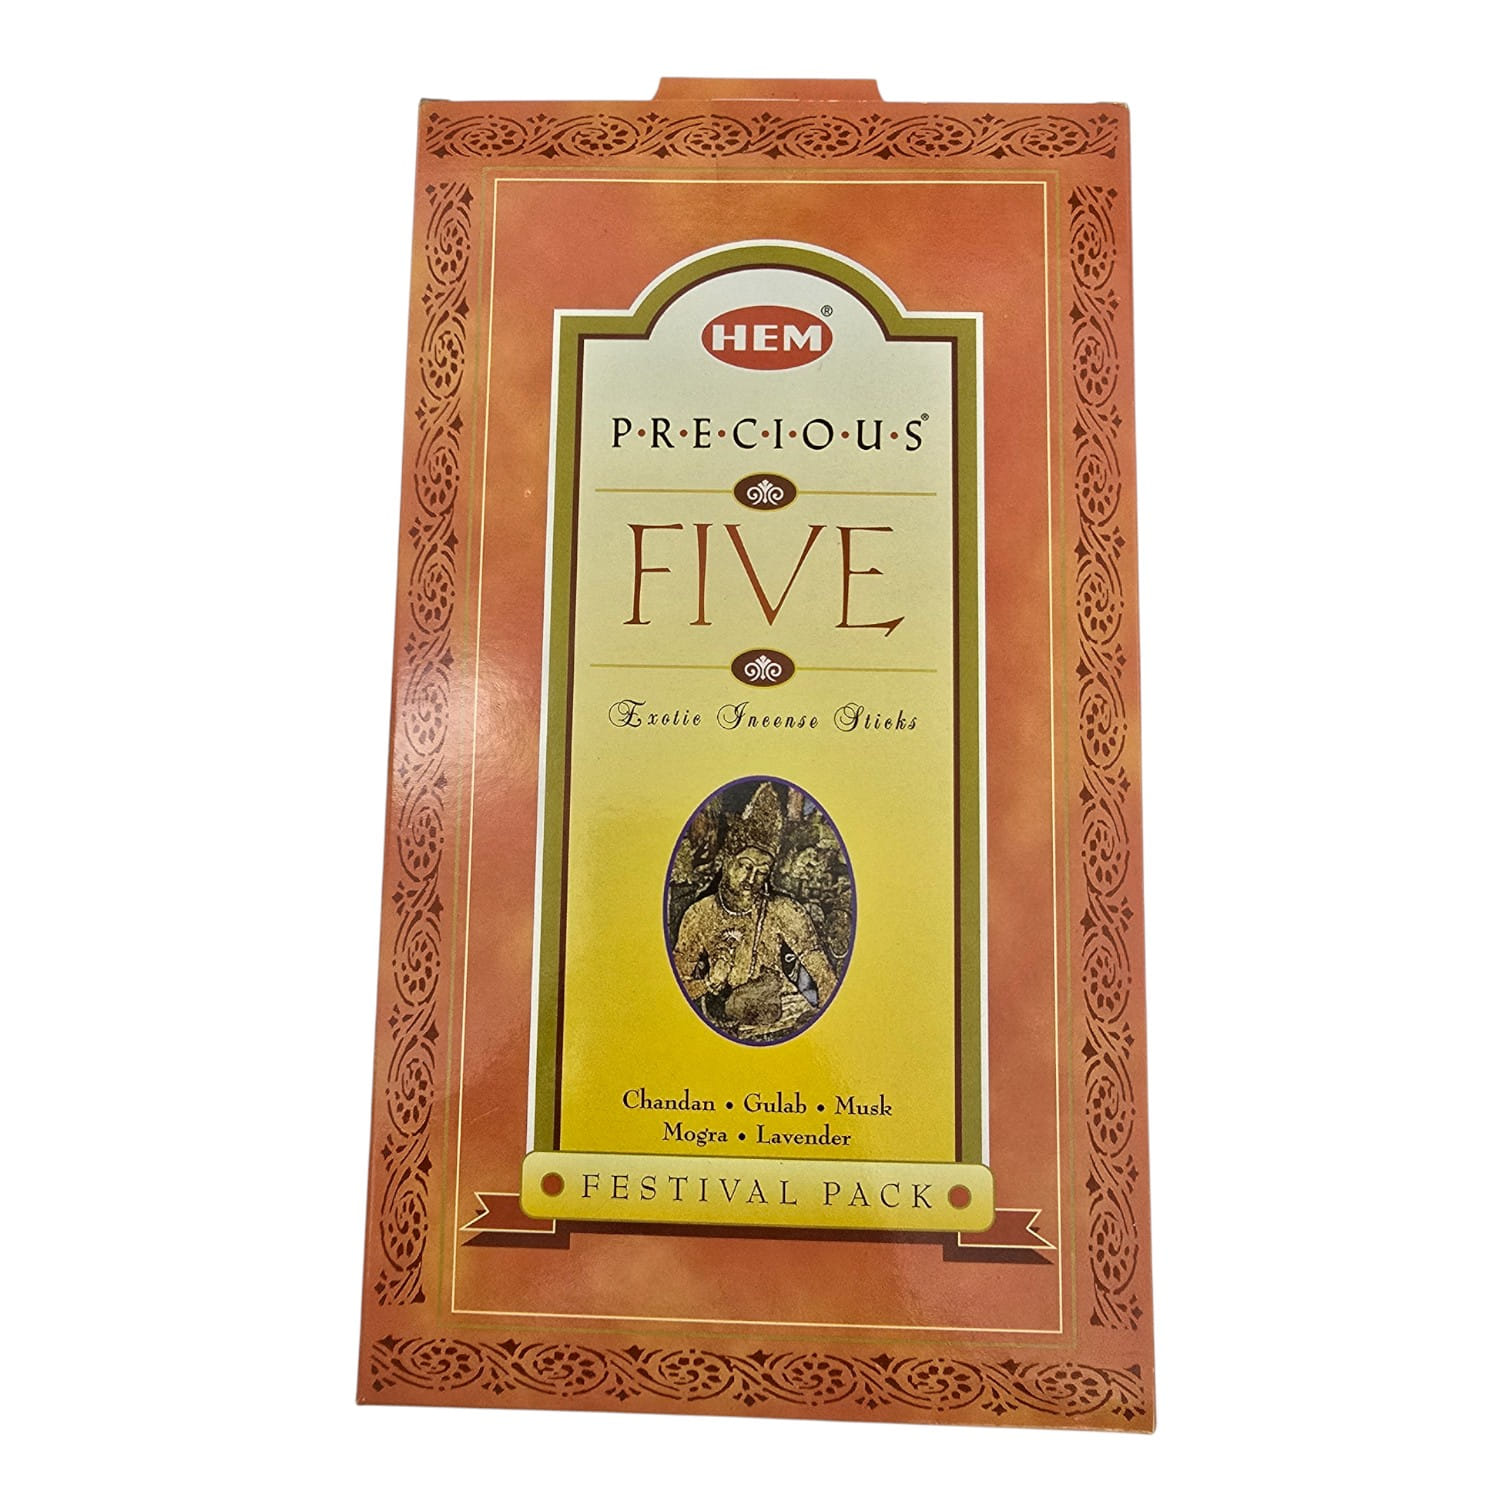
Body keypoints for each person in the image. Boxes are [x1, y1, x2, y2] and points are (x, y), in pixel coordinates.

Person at [673, 839, 836, 1040]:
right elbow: (677, 986)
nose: (751, 879)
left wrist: (828, 1019)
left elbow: (820, 968)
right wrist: (708, 982)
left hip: (784, 1017)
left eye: (762, 872)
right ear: (727, 862)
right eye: (746, 866)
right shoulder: (699, 915)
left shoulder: (784, 910)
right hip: (719, 1028)